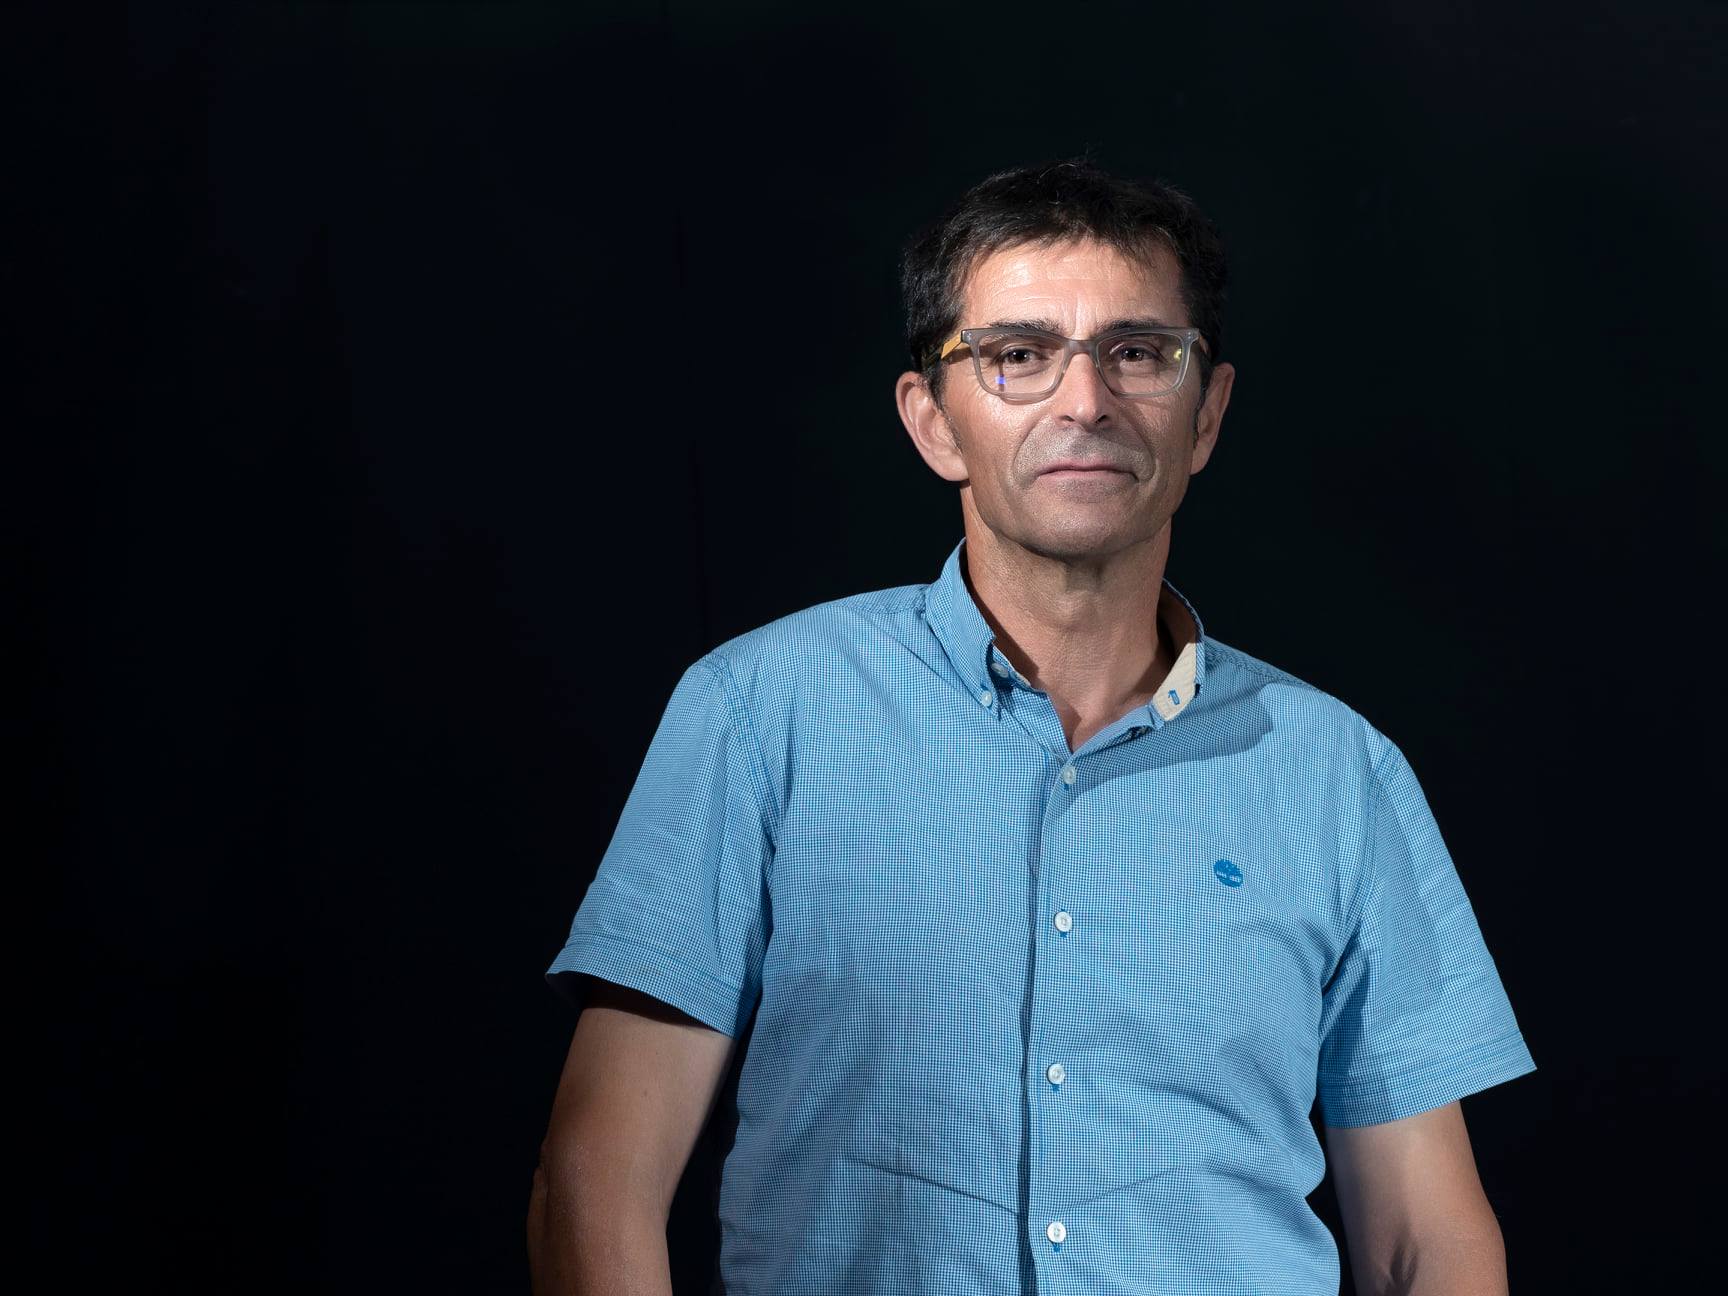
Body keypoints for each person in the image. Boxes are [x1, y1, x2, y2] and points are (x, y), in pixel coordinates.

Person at [527, 157, 1535, 1295]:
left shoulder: (1338, 772)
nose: (1084, 402)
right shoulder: (762, 712)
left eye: (1137, 352)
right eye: (1017, 355)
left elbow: (1425, 1241)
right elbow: (597, 1179)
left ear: (1206, 414)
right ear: (933, 422)